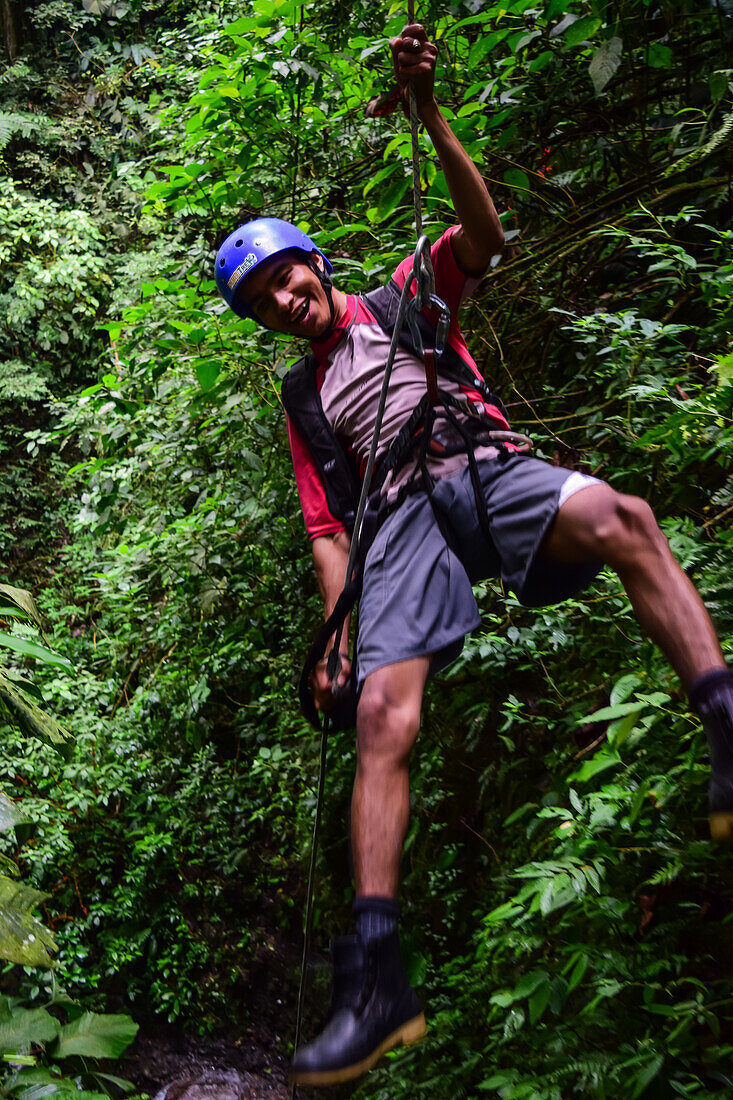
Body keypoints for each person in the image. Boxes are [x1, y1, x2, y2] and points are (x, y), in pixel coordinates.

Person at [215, 24, 733, 1088]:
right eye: (258, 296)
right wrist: (342, 637)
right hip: (396, 521)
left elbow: (484, 233)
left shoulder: (407, 293)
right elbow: (327, 525)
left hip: (475, 461)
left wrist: (429, 113)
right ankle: (375, 978)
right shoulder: (304, 401)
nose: (279, 296)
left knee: (625, 516)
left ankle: (725, 717)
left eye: (280, 273)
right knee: (380, 714)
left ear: (310, 260)